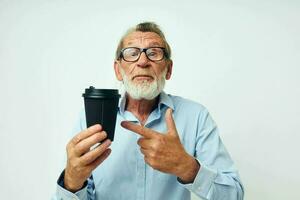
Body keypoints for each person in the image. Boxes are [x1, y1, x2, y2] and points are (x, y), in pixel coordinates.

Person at [53, 22, 244, 200]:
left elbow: (234, 193)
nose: (143, 61)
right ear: (118, 70)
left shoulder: (196, 116)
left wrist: (187, 167)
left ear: (168, 69)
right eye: (132, 53)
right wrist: (71, 182)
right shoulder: (91, 117)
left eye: (154, 53)